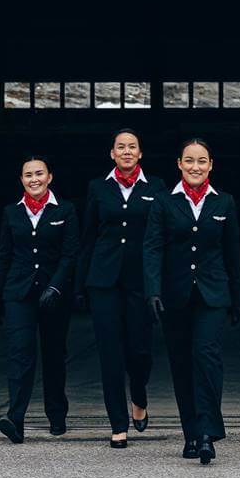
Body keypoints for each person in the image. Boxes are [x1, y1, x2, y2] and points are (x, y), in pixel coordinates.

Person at [143, 138, 240, 465]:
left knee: (207, 356)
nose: (195, 167)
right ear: (179, 164)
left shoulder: (224, 202)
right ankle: (190, 434)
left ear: (211, 165)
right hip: (175, 295)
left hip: (213, 295)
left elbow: (233, 253)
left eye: (202, 161)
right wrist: (153, 290)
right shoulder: (163, 203)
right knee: (182, 364)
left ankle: (207, 433)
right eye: (189, 161)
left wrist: (239, 298)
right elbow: (153, 248)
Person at [76, 129, 166, 449]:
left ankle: (139, 395)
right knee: (110, 354)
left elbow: (161, 239)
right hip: (103, 281)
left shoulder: (156, 188)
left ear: (140, 154)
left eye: (132, 147)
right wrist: (79, 284)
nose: (126, 152)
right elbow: (88, 237)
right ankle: (117, 423)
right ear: (112, 154)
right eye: (120, 147)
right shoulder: (98, 188)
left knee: (139, 352)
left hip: (141, 282)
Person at [0, 156, 80, 444]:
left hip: (54, 295)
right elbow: (4, 256)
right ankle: (15, 418)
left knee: (53, 355)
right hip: (19, 293)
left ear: (50, 176)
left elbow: (70, 255)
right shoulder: (11, 213)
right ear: (21, 180)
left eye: (39, 173)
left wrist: (56, 287)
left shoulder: (66, 210)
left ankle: (57, 415)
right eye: (28, 175)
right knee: (20, 355)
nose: (34, 179)